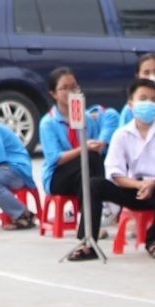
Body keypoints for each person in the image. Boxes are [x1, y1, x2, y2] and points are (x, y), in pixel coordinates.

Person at [97, 78, 155, 254]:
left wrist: (153, 183)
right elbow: (114, 172)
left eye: (154, 100)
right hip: (133, 188)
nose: (149, 103)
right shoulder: (121, 134)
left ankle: (154, 241)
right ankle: (88, 241)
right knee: (96, 185)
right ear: (131, 104)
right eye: (143, 98)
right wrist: (140, 185)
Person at [36, 66, 109, 220]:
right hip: (58, 176)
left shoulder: (86, 118)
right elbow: (55, 158)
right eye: (64, 88)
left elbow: (96, 150)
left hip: (83, 172)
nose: (70, 91)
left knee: (91, 166)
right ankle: (90, 216)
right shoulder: (48, 123)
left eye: (74, 87)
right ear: (53, 94)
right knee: (88, 159)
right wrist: (84, 148)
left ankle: (89, 218)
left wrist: (98, 145)